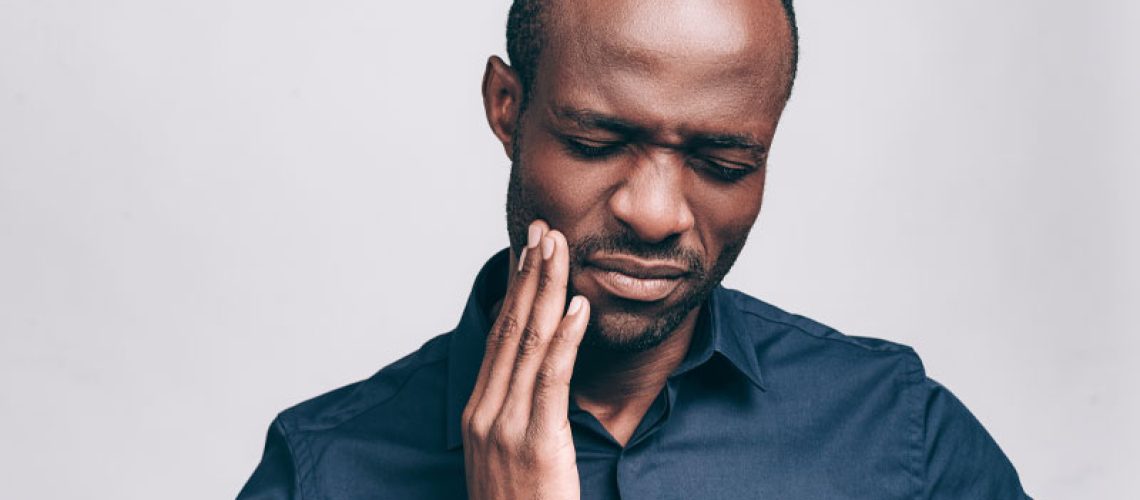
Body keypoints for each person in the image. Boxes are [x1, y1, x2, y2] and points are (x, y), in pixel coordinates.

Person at [238, 0, 1031, 498]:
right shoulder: (325, 470)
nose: (654, 214)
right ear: (506, 108)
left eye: (724, 163)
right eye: (596, 140)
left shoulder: (897, 436)